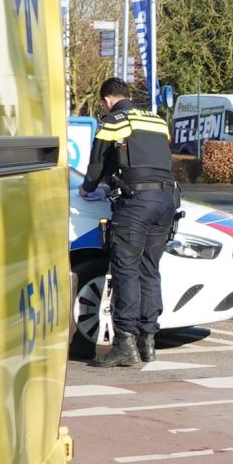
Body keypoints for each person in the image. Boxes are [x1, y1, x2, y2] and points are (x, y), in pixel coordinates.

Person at [80, 77, 180, 369]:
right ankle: (147, 342)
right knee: (150, 269)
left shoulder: (114, 120)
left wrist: (87, 189)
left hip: (136, 204)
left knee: (126, 269)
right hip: (167, 202)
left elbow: (97, 164)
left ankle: (125, 344)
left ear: (107, 99)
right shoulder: (157, 120)